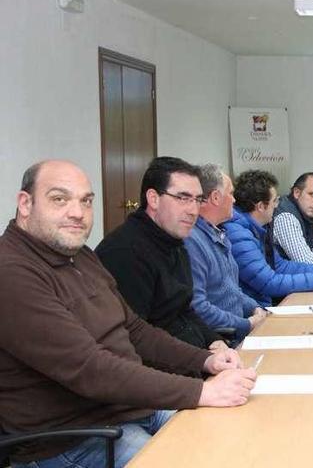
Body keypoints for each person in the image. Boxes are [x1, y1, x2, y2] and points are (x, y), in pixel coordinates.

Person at [0, 160, 255, 468]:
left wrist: (204, 359)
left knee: (237, 438)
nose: (77, 213)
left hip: (129, 409)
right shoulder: (12, 273)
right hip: (75, 436)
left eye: (86, 201)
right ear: (25, 204)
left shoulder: (79, 254)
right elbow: (90, 368)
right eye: (59, 199)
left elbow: (134, 329)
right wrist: (200, 390)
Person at [96, 157, 224, 350]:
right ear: (153, 199)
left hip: (192, 358)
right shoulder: (125, 252)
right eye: (183, 198)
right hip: (164, 370)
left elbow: (184, 310)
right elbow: (136, 339)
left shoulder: (175, 242)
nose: (193, 210)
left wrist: (215, 341)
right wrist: (203, 361)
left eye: (197, 200)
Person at [224, 170, 313, 307]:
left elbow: (279, 266)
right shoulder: (238, 235)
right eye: (274, 200)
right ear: (260, 206)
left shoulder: (259, 228)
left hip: (262, 305)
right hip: (253, 312)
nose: (277, 205)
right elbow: (269, 283)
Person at [184, 164, 268, 344]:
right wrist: (247, 324)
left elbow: (232, 290)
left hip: (239, 333)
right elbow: (198, 307)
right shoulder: (192, 240)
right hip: (223, 341)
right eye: (231, 193)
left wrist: (255, 308)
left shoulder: (219, 234)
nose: (235, 200)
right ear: (215, 197)